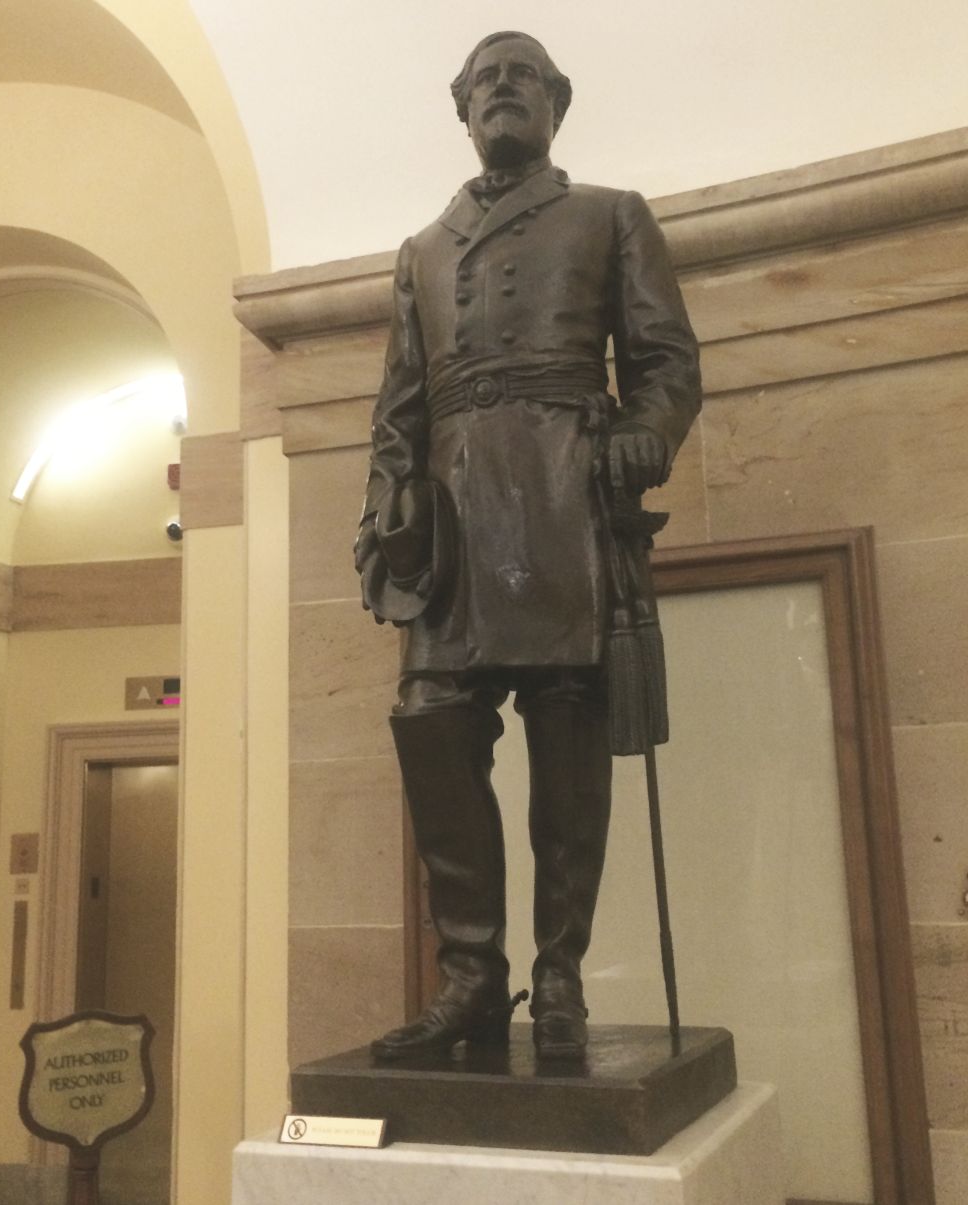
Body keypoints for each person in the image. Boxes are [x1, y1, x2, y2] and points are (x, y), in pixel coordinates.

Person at [355, 31, 701, 1060]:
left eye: (523, 77)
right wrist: (383, 517)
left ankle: (558, 975)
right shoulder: (419, 250)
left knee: (566, 728)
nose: (503, 90)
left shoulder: (608, 214)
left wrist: (646, 423)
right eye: (485, 80)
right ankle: (471, 974)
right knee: (431, 718)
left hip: (562, 489)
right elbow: (396, 407)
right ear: (461, 110)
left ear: (556, 103)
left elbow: (667, 359)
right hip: (455, 516)